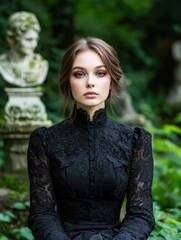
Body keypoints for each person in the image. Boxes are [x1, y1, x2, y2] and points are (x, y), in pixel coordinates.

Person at [27, 37, 155, 240]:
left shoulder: (135, 141)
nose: (90, 82)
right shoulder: (45, 140)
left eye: (100, 73)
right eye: (79, 74)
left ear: (112, 79)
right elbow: (42, 214)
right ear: (67, 81)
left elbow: (141, 215)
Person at [0, 11, 48, 87]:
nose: (34, 44)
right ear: (12, 39)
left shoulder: (40, 65)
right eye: (28, 39)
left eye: (36, 39)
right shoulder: (2, 64)